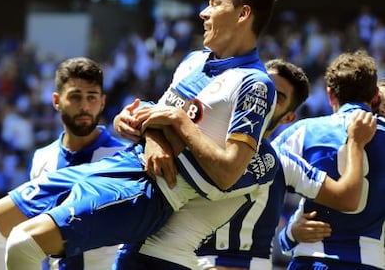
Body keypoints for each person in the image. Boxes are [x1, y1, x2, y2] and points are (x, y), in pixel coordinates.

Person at [0, 0, 278, 270]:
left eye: (215, 4)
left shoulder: (254, 84)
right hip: (121, 164)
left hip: (151, 189)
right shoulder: (194, 60)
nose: (203, 13)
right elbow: (154, 119)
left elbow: (228, 172)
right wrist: (142, 127)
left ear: (242, 15)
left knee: (24, 243)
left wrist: (177, 121)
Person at [112, 59, 376, 270]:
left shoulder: (282, 158)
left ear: (289, 118)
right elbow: (146, 117)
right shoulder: (193, 136)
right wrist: (150, 136)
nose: (266, 101)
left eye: (278, 97)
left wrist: (290, 233)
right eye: (265, 89)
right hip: (170, 258)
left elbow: (347, 197)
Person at [0, 57, 127, 270]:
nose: (84, 106)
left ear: (103, 102)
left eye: (92, 97)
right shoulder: (43, 158)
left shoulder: (122, 157)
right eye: (75, 96)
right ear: (56, 100)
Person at [275, 50, 385, 270]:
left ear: (330, 95)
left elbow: (256, 177)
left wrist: (288, 234)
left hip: (309, 258)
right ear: (374, 96)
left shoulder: (303, 131)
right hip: (369, 262)